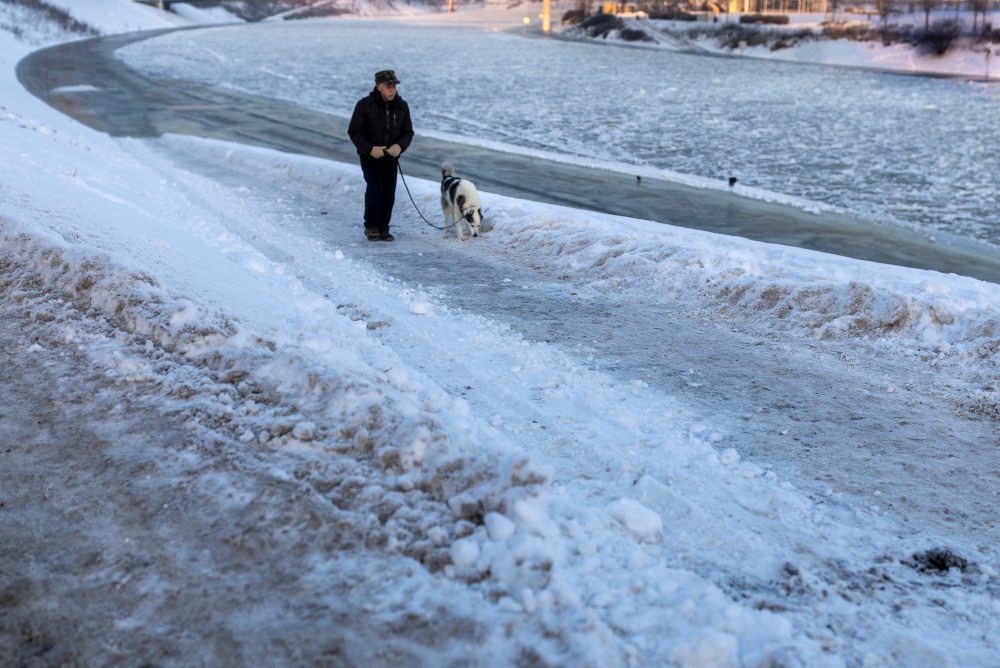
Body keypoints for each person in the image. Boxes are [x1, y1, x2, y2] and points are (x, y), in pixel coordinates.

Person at [347, 69, 414, 242]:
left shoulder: (402, 106)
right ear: (379, 87)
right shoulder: (365, 105)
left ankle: (384, 228)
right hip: (369, 156)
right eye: (388, 86)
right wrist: (370, 149)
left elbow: (408, 132)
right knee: (375, 188)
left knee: (389, 192)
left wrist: (399, 146)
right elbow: (354, 132)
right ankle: (371, 226)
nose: (392, 89)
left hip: (391, 158)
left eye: (394, 86)